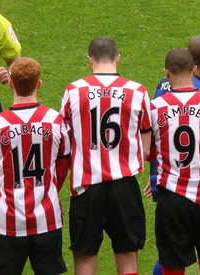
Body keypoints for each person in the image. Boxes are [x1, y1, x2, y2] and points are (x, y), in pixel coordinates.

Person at [60, 37, 152, 275]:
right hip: (124, 186)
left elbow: (64, 139)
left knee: (85, 255)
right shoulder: (137, 91)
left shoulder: (73, 91)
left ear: (90, 60)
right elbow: (148, 147)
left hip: (86, 186)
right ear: (117, 58)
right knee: (127, 255)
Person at [0, 57, 70, 275]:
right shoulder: (54, 121)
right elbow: (63, 162)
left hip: (6, 220)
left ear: (10, 83)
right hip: (46, 217)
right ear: (39, 83)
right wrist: (50, 190)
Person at [148, 49, 200, 275]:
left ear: (166, 73)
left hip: (171, 198)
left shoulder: (154, 108)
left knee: (173, 266)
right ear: (194, 70)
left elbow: (147, 152)